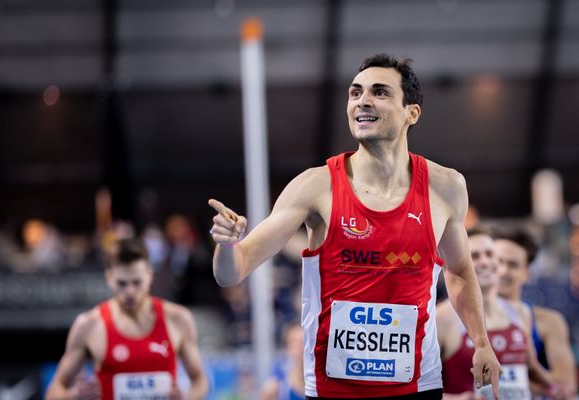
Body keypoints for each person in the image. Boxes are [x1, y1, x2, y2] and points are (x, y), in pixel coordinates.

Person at [208, 53, 501, 399]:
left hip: (417, 384)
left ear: (412, 113)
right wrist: (227, 245)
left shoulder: (446, 188)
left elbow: (461, 271)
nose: (362, 101)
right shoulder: (315, 187)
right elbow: (233, 270)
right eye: (355, 92)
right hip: (335, 389)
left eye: (380, 92)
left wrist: (482, 341)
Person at [45, 238, 208, 400]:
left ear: (149, 276)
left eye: (137, 282)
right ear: (109, 278)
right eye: (122, 283)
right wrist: (74, 396)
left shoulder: (178, 318)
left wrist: (188, 398)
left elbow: (201, 381)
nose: (130, 292)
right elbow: (52, 393)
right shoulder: (88, 325)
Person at [438, 227, 554, 399]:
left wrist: (557, 390)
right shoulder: (440, 319)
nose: (485, 262)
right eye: (474, 256)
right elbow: (418, 389)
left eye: (491, 255)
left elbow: (532, 371)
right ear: (460, 263)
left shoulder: (520, 312)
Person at [494, 227, 577, 399]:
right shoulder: (459, 319)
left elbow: (566, 385)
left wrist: (530, 368)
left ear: (527, 274)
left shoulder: (547, 321)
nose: (502, 271)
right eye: (497, 262)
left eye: (512, 265)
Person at [261, 323, 306, 400]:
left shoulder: (320, 383)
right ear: (288, 349)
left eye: (304, 343)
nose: (301, 349)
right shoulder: (277, 385)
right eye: (296, 344)